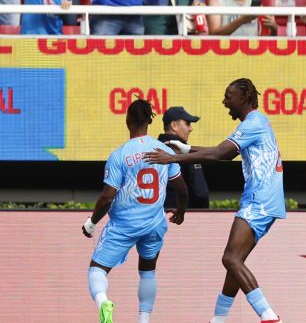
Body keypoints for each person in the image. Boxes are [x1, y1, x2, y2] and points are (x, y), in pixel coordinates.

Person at [145, 78, 284, 323]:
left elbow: (222, 153)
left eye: (228, 96)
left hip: (259, 200)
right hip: (266, 201)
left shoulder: (254, 123)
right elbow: (226, 152)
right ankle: (218, 320)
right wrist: (186, 150)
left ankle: (269, 316)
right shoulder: (257, 122)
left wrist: (172, 159)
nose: (224, 101)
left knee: (230, 259)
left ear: (243, 97)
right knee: (235, 263)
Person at [83, 98, 188, 323]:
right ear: (150, 121)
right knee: (147, 271)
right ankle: (143, 320)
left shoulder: (119, 155)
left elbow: (107, 197)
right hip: (153, 223)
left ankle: (103, 303)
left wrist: (91, 223)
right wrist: (181, 210)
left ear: (128, 121)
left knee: (96, 271)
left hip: (123, 225)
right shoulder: (164, 150)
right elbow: (181, 187)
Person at [157, 105, 210, 208]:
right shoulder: (187, 153)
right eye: (187, 123)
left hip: (153, 218)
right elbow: (200, 193)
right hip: (181, 218)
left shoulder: (151, 150)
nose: (191, 129)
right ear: (174, 125)